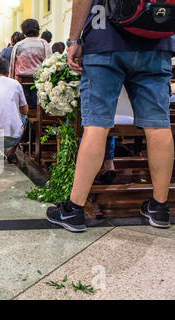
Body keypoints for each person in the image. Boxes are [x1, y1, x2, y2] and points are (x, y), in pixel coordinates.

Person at [46, 0, 174, 232]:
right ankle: (160, 207)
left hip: (104, 36)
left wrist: (74, 39)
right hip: (156, 35)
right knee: (158, 126)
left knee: (97, 125)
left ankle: (74, 210)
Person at [9, 19, 52, 110]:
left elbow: (12, 66)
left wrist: (11, 82)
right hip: (40, 84)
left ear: (24, 32)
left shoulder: (19, 45)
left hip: (22, 84)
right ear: (38, 31)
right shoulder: (44, 44)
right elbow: (50, 64)